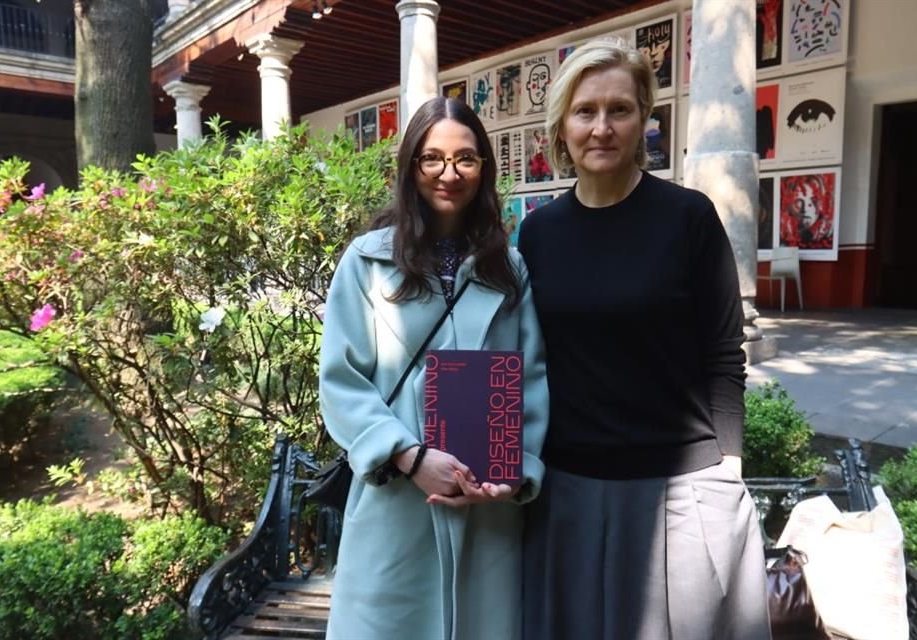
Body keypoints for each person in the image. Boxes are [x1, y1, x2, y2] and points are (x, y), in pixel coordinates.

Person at [517, 39, 772, 640]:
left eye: (620, 110)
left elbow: (722, 352)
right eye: (585, 111)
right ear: (561, 127)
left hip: (681, 487)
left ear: (644, 121)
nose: (601, 127)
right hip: (569, 490)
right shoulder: (537, 234)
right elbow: (517, 357)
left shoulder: (689, 218)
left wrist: (728, 465)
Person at [319, 96, 549, 640]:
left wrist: (515, 473)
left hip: (485, 508)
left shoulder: (508, 268)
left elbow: (532, 377)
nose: (449, 174)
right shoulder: (367, 262)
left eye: (466, 159)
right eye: (432, 159)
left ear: (484, 168)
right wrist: (409, 455)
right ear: (411, 166)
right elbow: (341, 379)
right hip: (398, 501)